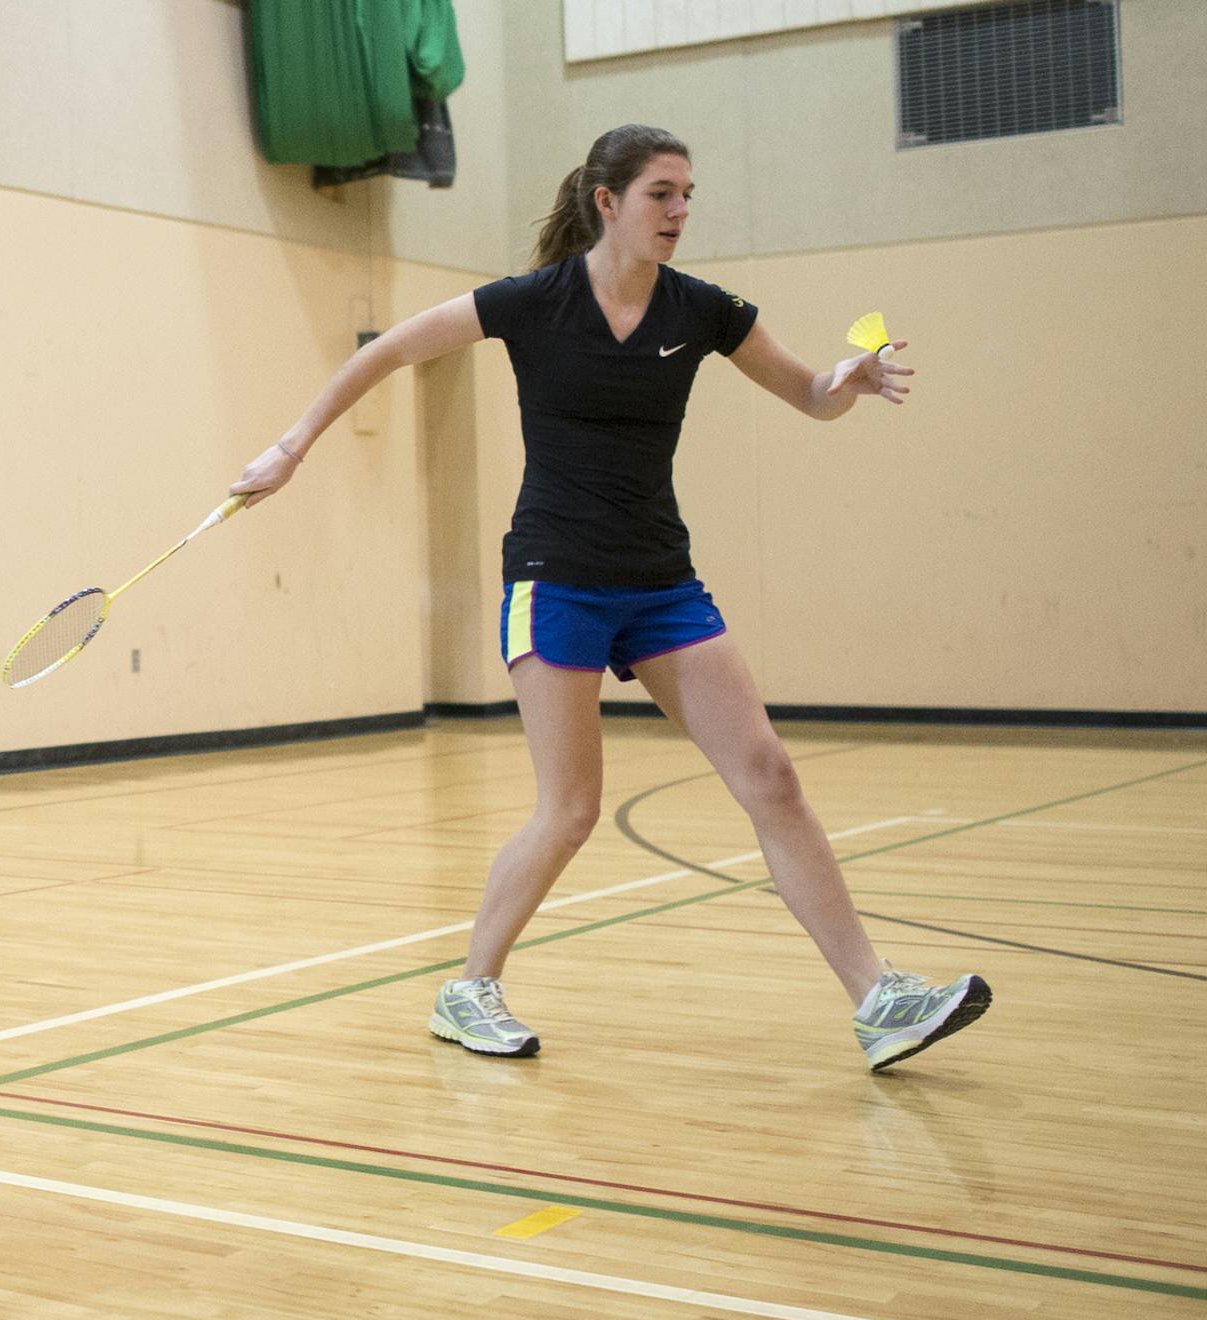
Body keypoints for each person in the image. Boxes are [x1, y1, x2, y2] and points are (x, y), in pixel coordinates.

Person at [231, 123, 989, 1073]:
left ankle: (880, 999)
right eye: (661, 195)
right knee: (572, 806)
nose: (679, 212)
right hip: (556, 577)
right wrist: (293, 445)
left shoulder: (705, 310)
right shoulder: (533, 303)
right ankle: (470, 989)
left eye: (687, 196)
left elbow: (808, 395)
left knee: (771, 776)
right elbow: (388, 351)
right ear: (608, 202)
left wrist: (847, 382)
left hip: (661, 579)